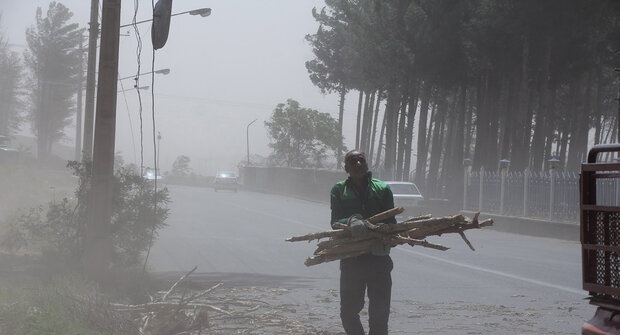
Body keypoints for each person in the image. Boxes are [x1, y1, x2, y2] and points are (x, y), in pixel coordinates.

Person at [330, 149, 397, 335]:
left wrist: (381, 232)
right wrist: (351, 221)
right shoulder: (338, 190)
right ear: (346, 168)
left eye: (361, 160)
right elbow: (335, 222)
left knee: (380, 315)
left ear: (367, 165)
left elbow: (392, 222)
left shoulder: (382, 189)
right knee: (348, 312)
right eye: (353, 161)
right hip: (352, 260)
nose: (358, 164)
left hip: (379, 259)